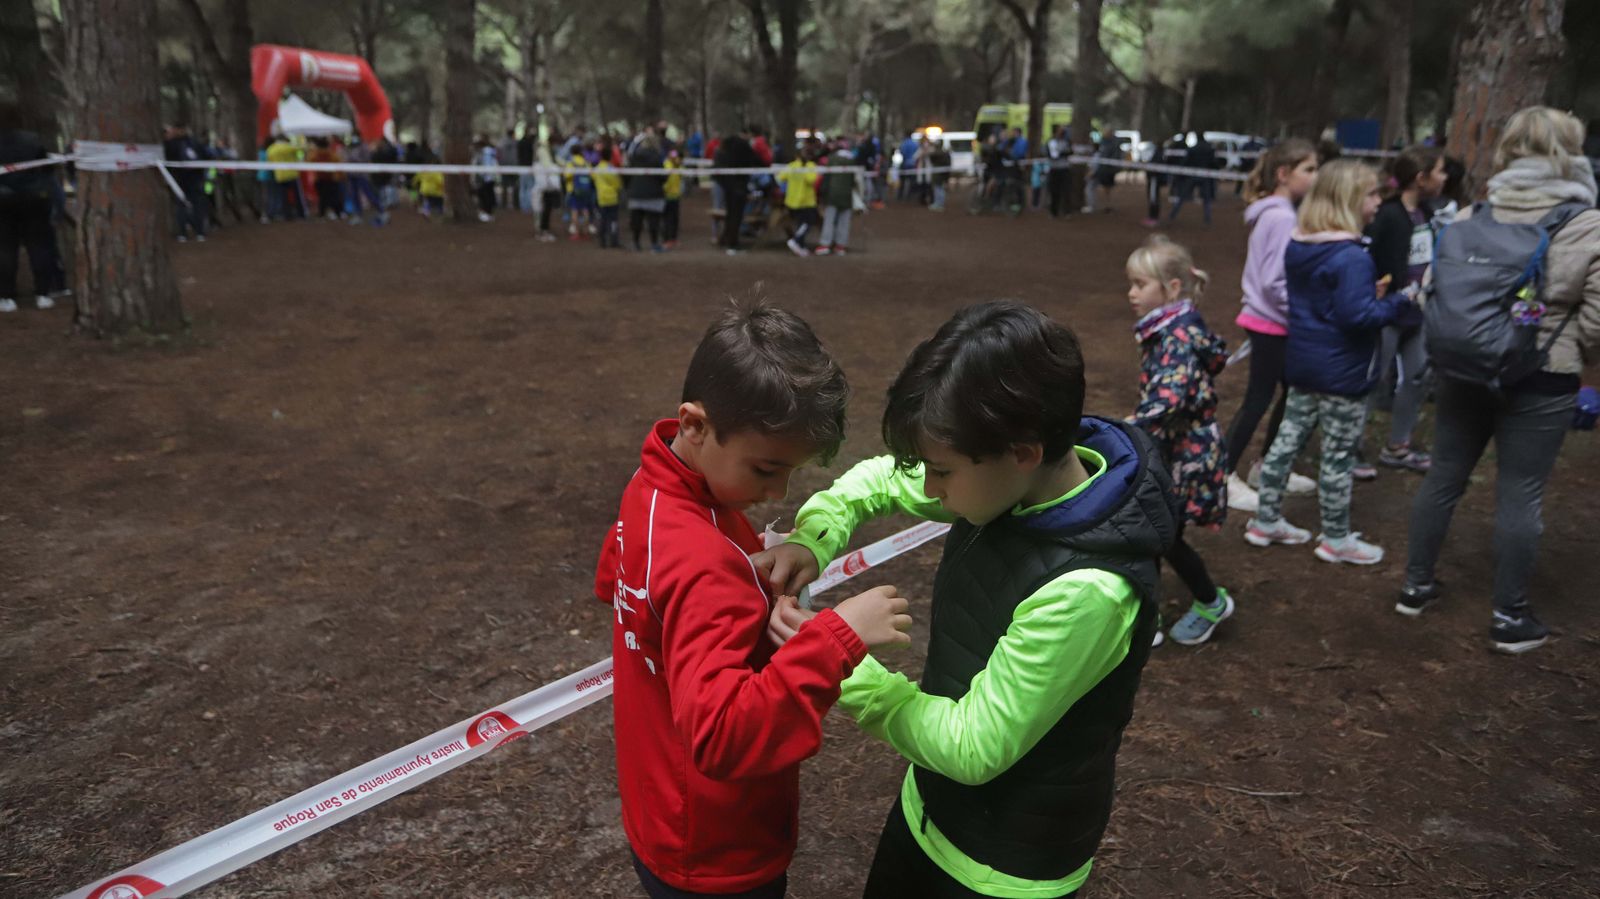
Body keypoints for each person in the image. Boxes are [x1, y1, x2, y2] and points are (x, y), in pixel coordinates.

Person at [759, 300, 1175, 899]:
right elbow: (877, 479)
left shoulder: (1090, 593)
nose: (930, 490)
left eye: (942, 472)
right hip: (928, 808)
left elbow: (972, 745)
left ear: (1023, 452)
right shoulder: (1009, 480)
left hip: (1002, 870)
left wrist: (836, 658)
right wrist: (814, 538)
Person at [595, 303, 913, 899]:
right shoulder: (704, 567)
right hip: (717, 850)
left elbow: (618, 580)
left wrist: (751, 600)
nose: (778, 492)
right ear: (694, 425)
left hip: (659, 808)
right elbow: (721, 736)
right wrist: (836, 638)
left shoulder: (650, 490)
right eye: (766, 469)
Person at [1399, 107, 1600, 653]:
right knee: (1521, 491)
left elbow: (1434, 290)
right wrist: (1570, 347)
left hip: (1463, 366)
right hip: (1542, 375)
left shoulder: (1471, 216)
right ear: (1570, 153)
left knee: (1443, 475)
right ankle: (1509, 618)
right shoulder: (1586, 223)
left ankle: (1415, 586)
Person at [1244, 159, 1410, 564]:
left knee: (1286, 442)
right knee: (1338, 455)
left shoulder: (1302, 245)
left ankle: (1265, 520)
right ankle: (1336, 537)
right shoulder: (1351, 257)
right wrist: (1397, 304)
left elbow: (1328, 303)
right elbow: (1358, 317)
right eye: (1371, 194)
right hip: (1342, 374)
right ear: (1349, 200)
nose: (1378, 202)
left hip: (1303, 364)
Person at [1125, 236, 1235, 645]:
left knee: (1162, 533)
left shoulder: (1176, 337)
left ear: (1171, 288)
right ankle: (1150, 616)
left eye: (1140, 284)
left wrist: (1127, 426)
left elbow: (1167, 400)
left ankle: (1209, 601)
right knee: (1158, 530)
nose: (1131, 293)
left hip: (1188, 454)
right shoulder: (1172, 328)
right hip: (1176, 449)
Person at [1223, 138, 1321, 512]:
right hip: (1271, 323)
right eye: (1308, 169)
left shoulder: (1278, 213)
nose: (1316, 177)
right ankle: (1225, 476)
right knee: (1259, 399)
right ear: (1283, 174)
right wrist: (1305, 312)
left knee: (1289, 393)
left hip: (1272, 321)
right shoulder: (1282, 218)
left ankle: (1267, 467)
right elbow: (1274, 282)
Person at [1364, 145, 1447, 473]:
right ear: (1420, 178)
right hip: (1387, 312)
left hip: (1418, 312)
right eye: (1439, 171)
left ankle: (1398, 445)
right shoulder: (1386, 214)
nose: (1444, 177)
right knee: (1373, 379)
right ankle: (1350, 447)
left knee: (1416, 378)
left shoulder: (1426, 213)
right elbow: (1367, 255)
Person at [0, 101, 57, 312]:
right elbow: (48, 168)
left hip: (3, 202)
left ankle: (6, 297)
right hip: (34, 199)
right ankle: (42, 294)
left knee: (5, 248)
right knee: (39, 246)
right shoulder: (33, 139)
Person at [713, 127, 762, 255]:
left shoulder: (726, 147)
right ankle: (732, 244)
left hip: (728, 186)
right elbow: (757, 160)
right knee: (736, 216)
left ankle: (728, 240)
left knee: (731, 215)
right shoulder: (743, 146)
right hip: (738, 186)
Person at [163, 123, 211, 240]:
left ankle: (183, 233)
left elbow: (167, 160)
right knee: (196, 205)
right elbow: (207, 157)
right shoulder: (195, 143)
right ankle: (199, 232)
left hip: (180, 179)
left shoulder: (171, 144)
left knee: (182, 205)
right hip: (195, 178)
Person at [626, 134, 667, 252]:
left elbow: (627, 174)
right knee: (654, 221)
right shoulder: (657, 158)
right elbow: (662, 177)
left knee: (636, 221)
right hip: (654, 193)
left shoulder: (634, 157)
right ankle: (654, 244)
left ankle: (635, 243)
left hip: (636, 193)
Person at [814, 140, 854, 256]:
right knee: (844, 221)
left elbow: (826, 178)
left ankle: (825, 244)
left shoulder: (831, 159)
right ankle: (840, 246)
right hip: (847, 195)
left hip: (832, 195)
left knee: (829, 220)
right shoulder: (852, 160)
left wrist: (822, 193)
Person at [780, 144, 820, 257]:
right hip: (806, 202)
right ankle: (796, 240)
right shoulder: (810, 166)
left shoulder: (791, 166)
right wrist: (804, 169)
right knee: (808, 222)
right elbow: (811, 179)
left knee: (801, 224)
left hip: (792, 201)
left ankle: (800, 246)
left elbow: (780, 177)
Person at [1169, 134, 1218, 224]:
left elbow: (1186, 161)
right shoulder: (1210, 148)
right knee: (1206, 199)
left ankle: (1173, 214)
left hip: (1192, 175)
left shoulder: (1193, 148)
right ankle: (1208, 218)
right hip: (1205, 175)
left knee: (1182, 196)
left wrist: (1181, 171)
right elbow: (1214, 162)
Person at [592, 137, 623, 249]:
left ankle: (603, 241)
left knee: (603, 220)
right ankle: (614, 241)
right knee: (613, 220)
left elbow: (593, 178)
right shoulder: (612, 169)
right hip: (612, 198)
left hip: (601, 198)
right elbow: (618, 183)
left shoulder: (597, 168)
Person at [265, 132, 303, 221]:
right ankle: (301, 214)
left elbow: (269, 161)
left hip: (280, 176)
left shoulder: (271, 149)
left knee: (283, 197)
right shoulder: (290, 147)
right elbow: (300, 154)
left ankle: (287, 215)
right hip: (293, 174)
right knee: (297, 196)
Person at [535, 135, 563, 242]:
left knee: (547, 208)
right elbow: (547, 165)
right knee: (543, 208)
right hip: (545, 184)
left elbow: (557, 160)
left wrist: (567, 165)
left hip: (549, 184)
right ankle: (542, 231)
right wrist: (555, 168)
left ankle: (543, 230)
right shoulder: (542, 150)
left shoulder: (550, 150)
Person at [563, 143, 594, 239]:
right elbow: (592, 175)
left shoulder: (570, 163)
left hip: (574, 190)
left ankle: (576, 232)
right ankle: (585, 231)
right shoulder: (586, 163)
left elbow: (566, 176)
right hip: (586, 190)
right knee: (585, 210)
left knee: (575, 211)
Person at [370, 135, 399, 223]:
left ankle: (383, 214)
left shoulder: (378, 154)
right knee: (382, 196)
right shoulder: (386, 153)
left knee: (381, 197)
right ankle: (383, 213)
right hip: (381, 179)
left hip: (380, 179)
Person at [1046, 126, 1070, 217]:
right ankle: (1054, 211)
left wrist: (1061, 153)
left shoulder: (1066, 141)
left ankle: (1066, 211)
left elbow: (1069, 152)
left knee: (1066, 191)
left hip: (1064, 169)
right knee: (1054, 191)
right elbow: (1053, 155)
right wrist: (1062, 153)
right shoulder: (1051, 142)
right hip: (1054, 169)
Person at [474, 135, 498, 222]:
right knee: (487, 196)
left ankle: (487, 213)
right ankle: (487, 213)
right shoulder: (490, 151)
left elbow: (486, 165)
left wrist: (483, 175)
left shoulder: (486, 152)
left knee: (486, 196)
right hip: (489, 177)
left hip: (486, 178)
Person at [662, 148, 683, 248]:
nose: (675, 157)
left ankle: (673, 238)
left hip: (676, 196)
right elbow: (665, 181)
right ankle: (666, 239)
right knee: (667, 220)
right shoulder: (666, 165)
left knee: (675, 219)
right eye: (673, 155)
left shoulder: (677, 165)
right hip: (667, 196)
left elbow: (683, 173)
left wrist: (679, 165)